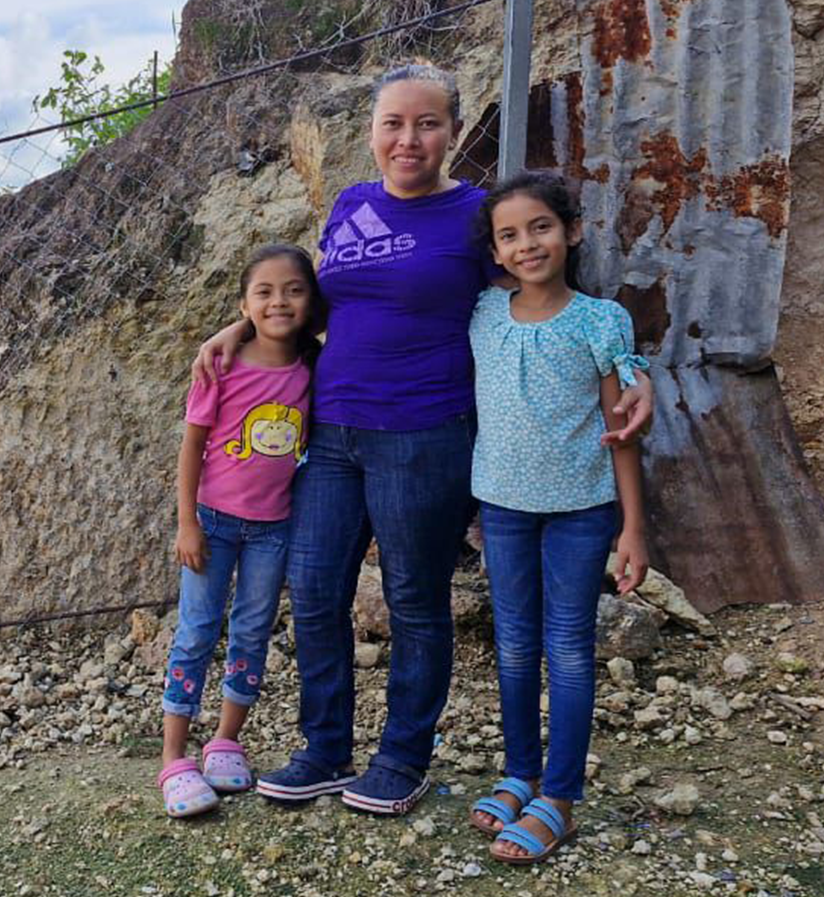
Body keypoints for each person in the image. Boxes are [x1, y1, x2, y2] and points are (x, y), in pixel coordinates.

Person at [192, 65, 654, 816]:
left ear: (453, 132)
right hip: (331, 430)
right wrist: (241, 325)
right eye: (393, 124)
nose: (408, 139)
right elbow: (314, 304)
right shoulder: (351, 203)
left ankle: (402, 759)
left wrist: (632, 372)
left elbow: (544, 300)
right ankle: (324, 749)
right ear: (373, 132)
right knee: (315, 590)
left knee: (413, 596)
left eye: (427, 123)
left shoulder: (477, 217)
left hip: (425, 432)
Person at [467, 170, 649, 863]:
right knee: (514, 645)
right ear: (495, 251)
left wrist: (633, 528)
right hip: (503, 507)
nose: (527, 245)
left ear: (571, 231)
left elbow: (621, 430)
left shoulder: (600, 321)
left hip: (580, 511)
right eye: (509, 235)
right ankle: (520, 774)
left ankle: (561, 797)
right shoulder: (483, 311)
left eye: (540, 227)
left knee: (568, 649)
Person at [158, 244, 325, 818]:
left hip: (274, 529)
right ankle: (173, 758)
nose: (280, 301)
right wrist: (187, 523)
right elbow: (192, 447)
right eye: (264, 292)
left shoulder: (312, 367)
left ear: (311, 301)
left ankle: (226, 741)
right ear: (244, 305)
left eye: (294, 290)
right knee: (196, 632)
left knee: (252, 632)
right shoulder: (220, 367)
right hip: (213, 523)